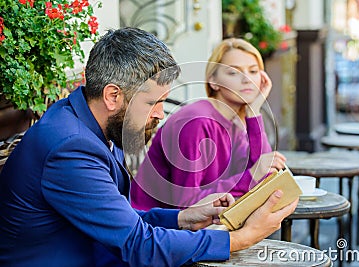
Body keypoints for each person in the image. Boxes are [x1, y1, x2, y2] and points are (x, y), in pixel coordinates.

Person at [0, 28, 298, 266]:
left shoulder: (93, 122)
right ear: (113, 96)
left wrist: (183, 219)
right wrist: (243, 238)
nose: (160, 113)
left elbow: (122, 220)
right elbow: (138, 245)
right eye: (152, 102)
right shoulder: (71, 148)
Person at [131, 38, 287, 210]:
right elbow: (186, 203)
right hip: (156, 226)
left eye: (253, 71)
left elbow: (264, 178)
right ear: (213, 81)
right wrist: (252, 175)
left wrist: (254, 112)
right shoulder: (195, 122)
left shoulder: (237, 120)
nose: (247, 79)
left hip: (210, 221)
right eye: (233, 72)